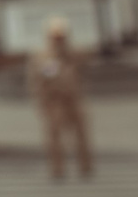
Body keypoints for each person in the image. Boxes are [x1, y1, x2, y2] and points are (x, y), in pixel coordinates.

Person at [27, 15, 91, 182]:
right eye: (56, 37)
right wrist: (40, 103)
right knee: (54, 137)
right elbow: (37, 81)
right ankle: (57, 169)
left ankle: (86, 166)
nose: (59, 40)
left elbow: (86, 59)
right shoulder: (43, 56)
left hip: (73, 99)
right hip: (54, 101)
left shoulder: (72, 54)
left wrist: (66, 52)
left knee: (81, 134)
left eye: (62, 37)